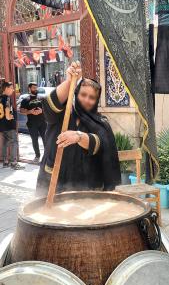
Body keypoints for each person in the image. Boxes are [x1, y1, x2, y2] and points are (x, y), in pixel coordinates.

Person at [37, 61, 121, 195]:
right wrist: (70, 81)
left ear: (96, 100)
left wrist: (79, 136)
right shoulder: (62, 114)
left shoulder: (101, 123)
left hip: (85, 187)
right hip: (53, 181)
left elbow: (100, 144)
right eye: (83, 95)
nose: (87, 100)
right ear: (76, 93)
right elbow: (48, 107)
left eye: (92, 97)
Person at [0, 81, 24, 170]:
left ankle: (5, 162)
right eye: (11, 88)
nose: (13, 90)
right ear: (6, 89)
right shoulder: (7, 98)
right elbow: (7, 111)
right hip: (9, 125)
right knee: (14, 142)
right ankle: (14, 163)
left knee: (5, 143)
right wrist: (10, 117)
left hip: (2, 125)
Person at [20, 83, 47, 163]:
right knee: (34, 140)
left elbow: (47, 108)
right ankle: (37, 156)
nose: (36, 89)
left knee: (45, 139)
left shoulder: (42, 98)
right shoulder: (26, 99)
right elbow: (22, 110)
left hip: (43, 122)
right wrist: (30, 111)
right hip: (32, 123)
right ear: (29, 88)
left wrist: (42, 111)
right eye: (34, 88)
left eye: (36, 87)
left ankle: (47, 156)